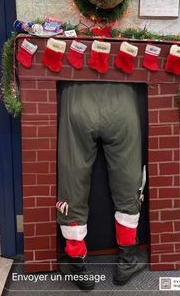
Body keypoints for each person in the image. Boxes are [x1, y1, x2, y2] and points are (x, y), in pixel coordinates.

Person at [57, 81, 147, 290]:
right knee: (127, 179)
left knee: (73, 180)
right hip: (122, 97)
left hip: (78, 94)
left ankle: (77, 264)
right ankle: (127, 261)